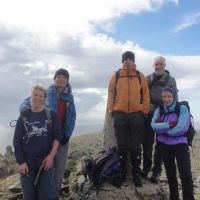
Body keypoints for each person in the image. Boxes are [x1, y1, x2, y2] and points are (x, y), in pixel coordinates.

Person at [20, 68, 76, 198]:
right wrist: (24, 110)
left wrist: (67, 134)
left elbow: (72, 117)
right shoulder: (47, 93)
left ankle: (54, 195)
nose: (61, 79)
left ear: (67, 80)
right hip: (45, 138)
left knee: (59, 170)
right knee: (45, 169)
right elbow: (27, 101)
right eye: (58, 77)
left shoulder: (69, 97)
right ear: (54, 79)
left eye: (64, 77)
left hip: (62, 139)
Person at [108, 51, 150, 187]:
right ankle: (121, 174)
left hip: (136, 114)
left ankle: (136, 174)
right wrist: (111, 110)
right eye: (125, 59)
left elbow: (145, 93)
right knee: (122, 146)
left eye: (130, 59)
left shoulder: (139, 75)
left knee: (136, 146)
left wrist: (144, 109)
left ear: (133, 61)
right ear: (122, 61)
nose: (128, 61)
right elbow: (111, 93)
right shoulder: (116, 75)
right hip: (120, 114)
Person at [13, 85, 61, 200]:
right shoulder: (24, 116)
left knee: (45, 195)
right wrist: (21, 162)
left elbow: (57, 137)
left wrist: (51, 156)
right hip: (28, 163)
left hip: (46, 162)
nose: (38, 98)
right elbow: (17, 141)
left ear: (44, 99)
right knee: (29, 196)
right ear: (31, 97)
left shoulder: (51, 115)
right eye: (35, 95)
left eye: (41, 96)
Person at [151, 87, 194, 200]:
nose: (166, 99)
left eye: (169, 96)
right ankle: (174, 197)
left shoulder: (183, 108)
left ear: (173, 97)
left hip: (180, 145)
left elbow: (182, 128)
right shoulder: (159, 110)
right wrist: (169, 125)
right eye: (164, 96)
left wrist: (164, 130)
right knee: (170, 175)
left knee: (185, 175)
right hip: (165, 146)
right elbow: (154, 126)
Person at [142, 56, 178, 183]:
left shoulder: (171, 80)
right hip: (149, 114)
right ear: (153, 65)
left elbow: (175, 99)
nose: (158, 67)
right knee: (147, 143)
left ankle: (156, 172)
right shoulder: (147, 78)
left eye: (161, 64)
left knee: (161, 144)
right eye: (156, 64)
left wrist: (174, 115)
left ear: (165, 65)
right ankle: (146, 168)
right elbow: (142, 96)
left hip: (164, 115)